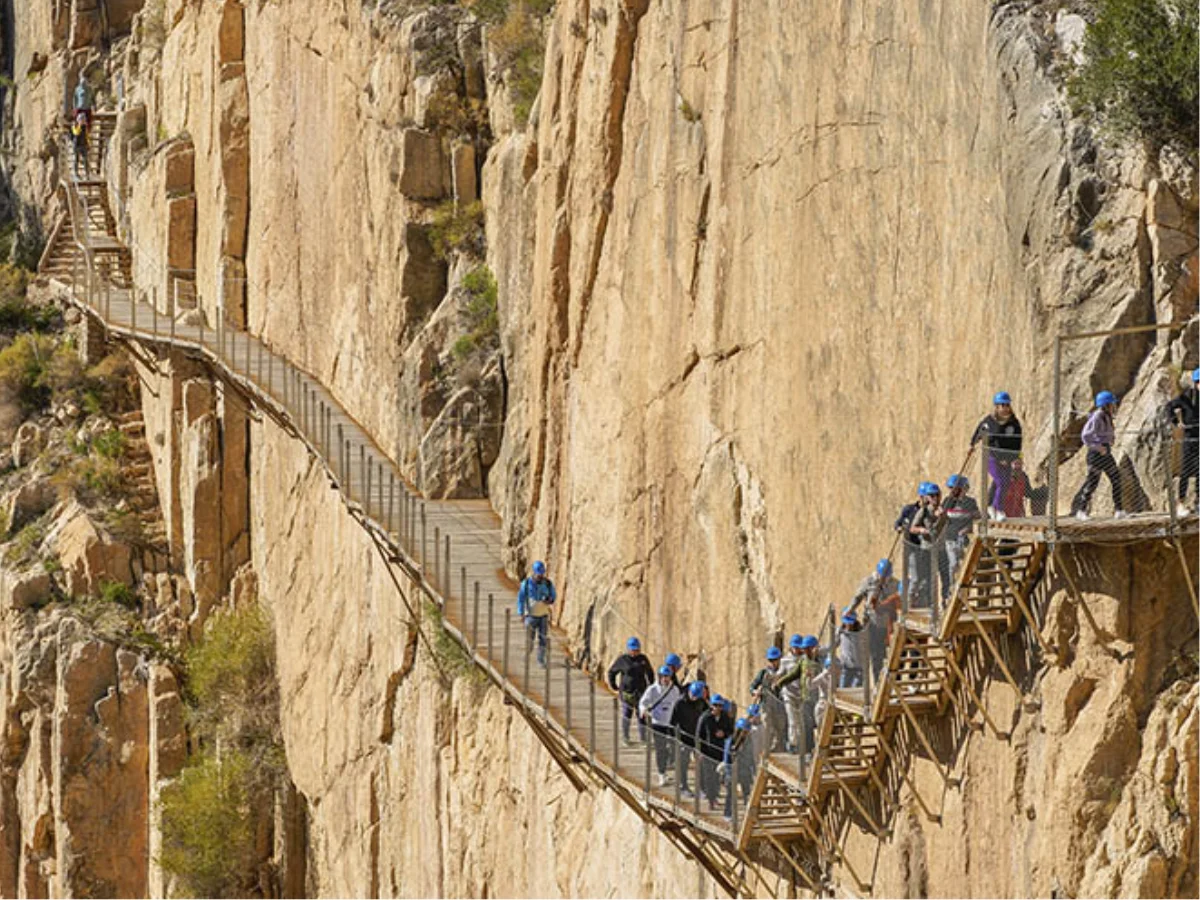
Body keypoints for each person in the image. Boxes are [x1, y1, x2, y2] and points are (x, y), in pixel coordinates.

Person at [1071, 391, 1127, 520]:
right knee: (1092, 482)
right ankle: (1081, 511)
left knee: (1115, 478)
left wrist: (1110, 439)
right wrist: (1098, 447)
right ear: (1106, 405)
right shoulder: (1097, 416)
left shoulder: (1107, 417)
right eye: (1111, 404)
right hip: (1096, 453)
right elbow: (1086, 435)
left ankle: (1119, 510)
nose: (1114, 406)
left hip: (1105, 452)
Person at [970, 391, 1023, 519]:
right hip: (992, 457)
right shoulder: (990, 421)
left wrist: (1015, 457)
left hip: (1008, 457)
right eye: (1002, 405)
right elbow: (980, 431)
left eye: (1007, 404)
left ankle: (992, 506)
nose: (1005, 408)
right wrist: (972, 444)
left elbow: (1017, 441)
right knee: (1000, 481)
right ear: (997, 406)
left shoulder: (1014, 423)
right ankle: (998, 509)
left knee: (1005, 483)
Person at [639, 665, 681, 786]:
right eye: (663, 677)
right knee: (660, 749)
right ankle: (661, 773)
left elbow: (678, 705)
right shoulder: (652, 689)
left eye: (667, 677)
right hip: (657, 723)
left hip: (670, 723)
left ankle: (667, 768)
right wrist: (644, 710)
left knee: (673, 748)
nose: (665, 679)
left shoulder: (674, 690)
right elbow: (643, 702)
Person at [608, 637, 655, 745]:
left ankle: (643, 738)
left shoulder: (643, 659)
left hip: (641, 692)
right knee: (627, 715)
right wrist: (614, 685)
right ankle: (626, 737)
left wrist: (650, 687)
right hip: (627, 692)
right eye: (633, 650)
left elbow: (650, 673)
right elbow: (612, 672)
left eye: (637, 650)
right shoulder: (623, 660)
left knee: (641, 715)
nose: (635, 652)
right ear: (628, 649)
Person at [908, 482, 948, 606]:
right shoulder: (923, 511)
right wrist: (922, 530)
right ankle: (929, 604)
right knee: (929, 579)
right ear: (928, 498)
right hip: (927, 549)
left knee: (946, 576)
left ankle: (945, 600)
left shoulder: (943, 510)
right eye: (932, 495)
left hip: (941, 549)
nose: (935, 498)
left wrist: (943, 516)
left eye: (937, 495)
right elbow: (912, 528)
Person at [1166, 369, 1199, 516]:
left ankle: (1198, 502)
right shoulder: (1187, 397)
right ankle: (1180, 502)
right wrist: (1175, 422)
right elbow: (1169, 407)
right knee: (1185, 470)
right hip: (1189, 438)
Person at [668, 681, 708, 798]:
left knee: (701, 763)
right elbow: (672, 722)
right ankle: (683, 786)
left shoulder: (702, 703)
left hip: (698, 738)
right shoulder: (680, 703)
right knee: (683, 763)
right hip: (683, 737)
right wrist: (673, 739)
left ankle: (701, 788)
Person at [696, 695, 735, 811]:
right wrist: (700, 752)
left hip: (720, 751)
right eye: (715, 705)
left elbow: (731, 731)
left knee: (717, 775)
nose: (717, 708)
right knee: (709, 777)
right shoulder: (705, 718)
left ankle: (715, 796)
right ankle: (711, 800)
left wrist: (724, 733)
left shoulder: (725, 718)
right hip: (707, 752)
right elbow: (699, 736)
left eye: (719, 706)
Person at [516, 560, 555, 666]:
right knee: (530, 638)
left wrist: (549, 599)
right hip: (531, 616)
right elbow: (521, 599)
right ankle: (527, 656)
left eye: (542, 574)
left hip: (543, 616)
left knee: (543, 638)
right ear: (534, 572)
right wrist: (521, 613)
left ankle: (540, 660)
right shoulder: (526, 584)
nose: (540, 576)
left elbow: (553, 597)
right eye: (539, 574)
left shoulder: (547, 583)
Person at [943, 474, 981, 577]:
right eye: (951, 488)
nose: (952, 491)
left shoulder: (970, 502)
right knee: (954, 564)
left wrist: (968, 528)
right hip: (951, 539)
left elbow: (977, 519)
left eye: (955, 489)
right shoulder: (948, 501)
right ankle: (953, 586)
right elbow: (942, 516)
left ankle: (965, 587)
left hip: (965, 540)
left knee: (967, 565)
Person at [722, 717, 758, 820]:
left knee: (747, 792)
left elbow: (750, 755)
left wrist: (753, 768)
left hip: (744, 769)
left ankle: (749, 814)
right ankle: (728, 814)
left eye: (747, 731)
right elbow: (727, 758)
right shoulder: (731, 741)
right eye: (744, 731)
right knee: (731, 794)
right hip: (733, 770)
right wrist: (728, 773)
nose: (746, 733)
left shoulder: (748, 740)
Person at [838, 611, 866, 688]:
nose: (849, 625)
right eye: (847, 623)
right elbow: (832, 645)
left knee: (855, 689)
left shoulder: (861, 632)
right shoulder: (841, 633)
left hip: (859, 667)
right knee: (843, 690)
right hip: (846, 667)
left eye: (851, 623)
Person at [71, 110, 90, 179]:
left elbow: (87, 135)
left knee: (85, 160)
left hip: (84, 144)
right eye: (81, 119)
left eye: (83, 119)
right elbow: (76, 133)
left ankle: (87, 174)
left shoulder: (85, 127)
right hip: (77, 145)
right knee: (76, 159)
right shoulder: (75, 125)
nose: (83, 121)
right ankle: (76, 174)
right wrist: (79, 125)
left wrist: (88, 143)